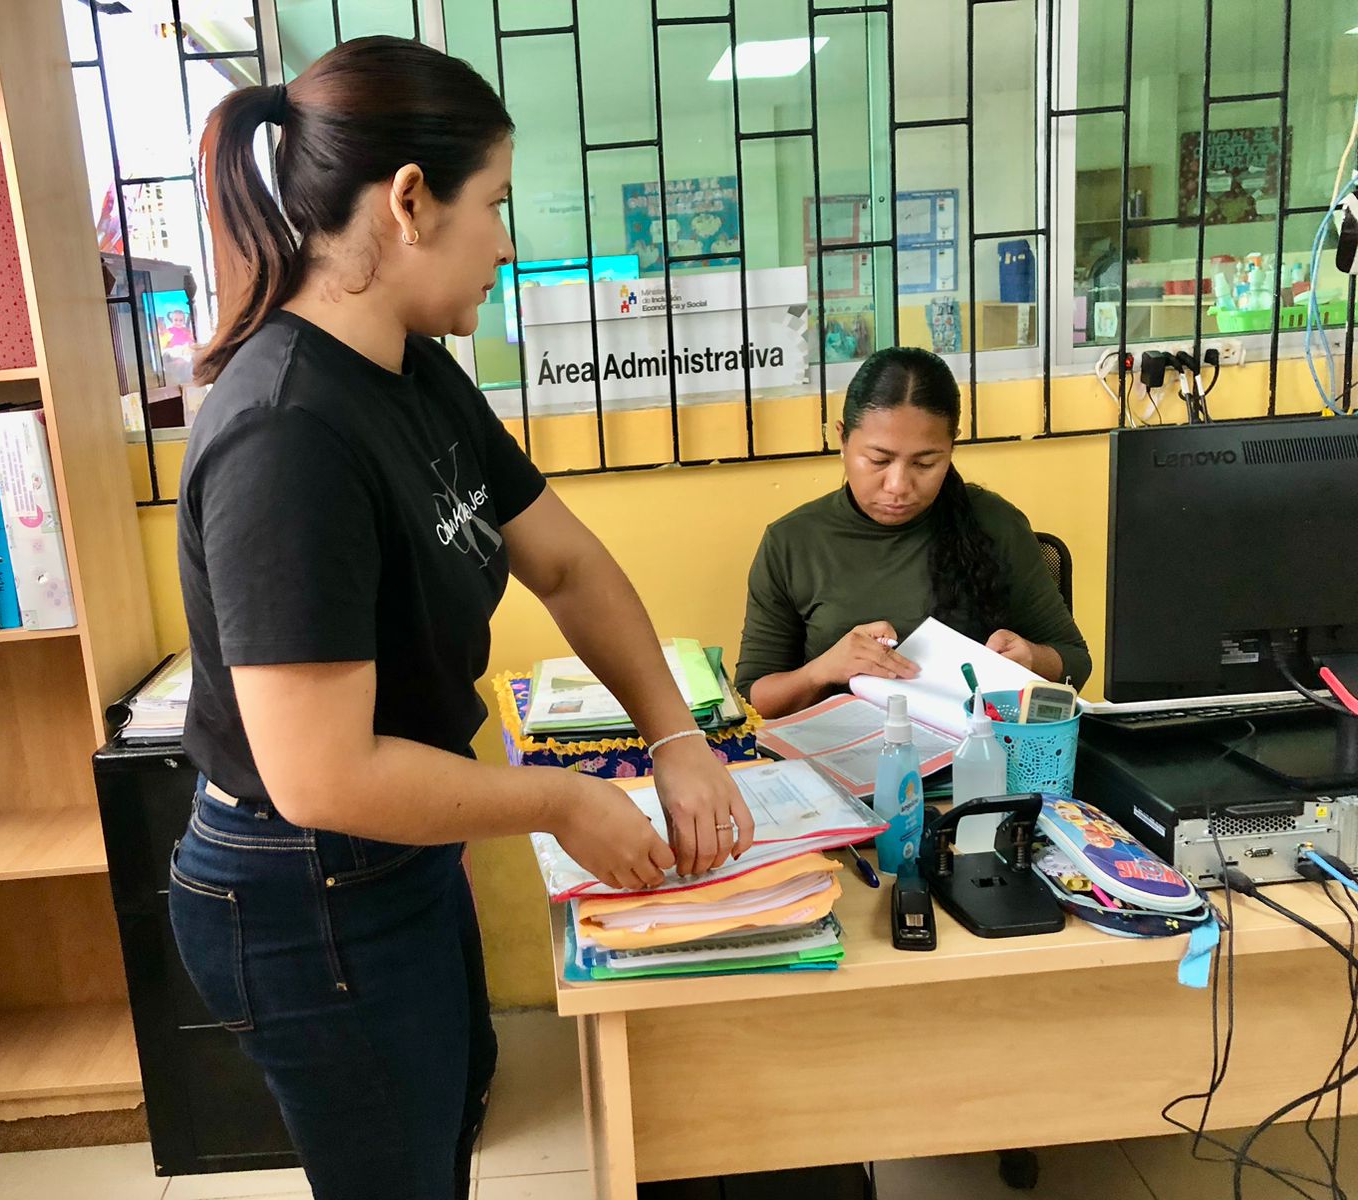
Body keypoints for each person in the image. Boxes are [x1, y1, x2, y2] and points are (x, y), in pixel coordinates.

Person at [169, 36, 751, 1200]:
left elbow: (568, 565)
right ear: (408, 202)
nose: (504, 243)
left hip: (399, 855)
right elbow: (321, 776)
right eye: (494, 204)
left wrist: (676, 735)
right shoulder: (288, 434)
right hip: (305, 888)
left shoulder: (413, 370)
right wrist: (561, 801)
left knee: (443, 1138)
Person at [736, 346, 1091, 718]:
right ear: (842, 439)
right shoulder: (791, 543)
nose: (898, 486)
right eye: (879, 460)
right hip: (841, 748)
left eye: (925, 463)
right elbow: (753, 698)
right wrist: (822, 670)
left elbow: (1075, 661)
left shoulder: (994, 523)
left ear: (951, 446)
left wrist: (1031, 658)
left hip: (974, 744)